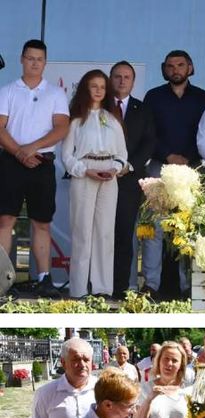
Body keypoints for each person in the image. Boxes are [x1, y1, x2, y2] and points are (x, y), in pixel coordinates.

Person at [0, 39, 69, 298]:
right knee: (5, 220)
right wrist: (19, 152)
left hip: (42, 164)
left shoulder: (56, 93)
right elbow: (0, 127)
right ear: (21, 59)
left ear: (45, 62)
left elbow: (61, 127)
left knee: (42, 222)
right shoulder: (7, 91)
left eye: (39, 59)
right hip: (10, 162)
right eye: (30, 58)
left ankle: (44, 278)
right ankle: (1, 280)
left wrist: (32, 148)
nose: (34, 63)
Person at [143, 50, 205, 299]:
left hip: (194, 167)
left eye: (180, 65)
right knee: (154, 228)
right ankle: (150, 285)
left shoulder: (204, 98)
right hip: (159, 167)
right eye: (170, 66)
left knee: (190, 228)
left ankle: (188, 287)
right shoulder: (153, 97)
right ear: (164, 69)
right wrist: (168, 155)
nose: (175, 70)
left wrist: (188, 157)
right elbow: (148, 133)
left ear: (190, 68)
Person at [60, 69, 128, 299]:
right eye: (93, 86)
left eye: (102, 86)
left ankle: (102, 288)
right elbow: (67, 156)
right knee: (82, 232)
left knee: (105, 232)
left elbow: (122, 154)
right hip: (84, 175)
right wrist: (84, 170)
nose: (99, 90)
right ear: (85, 89)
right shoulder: (76, 120)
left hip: (109, 177)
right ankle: (78, 289)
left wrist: (115, 168)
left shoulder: (113, 120)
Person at [108, 61, 156, 298]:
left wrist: (130, 165)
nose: (122, 81)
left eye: (127, 77)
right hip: (100, 177)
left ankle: (118, 288)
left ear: (133, 81)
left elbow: (149, 142)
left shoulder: (142, 109)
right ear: (110, 79)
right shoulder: (98, 107)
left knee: (124, 234)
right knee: (100, 234)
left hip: (129, 180)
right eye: (117, 76)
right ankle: (96, 286)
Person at [33, 337, 98, 418]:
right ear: (63, 362)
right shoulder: (46, 393)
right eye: (76, 359)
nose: (82, 364)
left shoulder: (103, 389)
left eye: (86, 359)